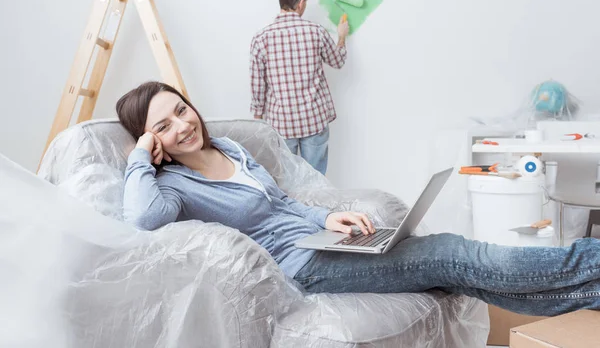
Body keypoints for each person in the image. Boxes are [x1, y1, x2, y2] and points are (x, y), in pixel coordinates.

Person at [117, 81, 600, 316]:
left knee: (460, 276)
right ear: (151, 140)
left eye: (181, 110)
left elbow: (282, 204)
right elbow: (141, 218)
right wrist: (141, 154)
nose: (183, 125)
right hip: (301, 267)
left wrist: (332, 216)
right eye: (163, 126)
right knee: (455, 253)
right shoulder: (170, 186)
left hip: (324, 242)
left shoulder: (231, 149)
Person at [249, 0, 349, 175]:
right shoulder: (315, 32)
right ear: (301, 3)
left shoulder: (261, 39)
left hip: (282, 124)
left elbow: (257, 88)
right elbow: (337, 61)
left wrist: (258, 123)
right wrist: (341, 36)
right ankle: (317, 207)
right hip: (314, 120)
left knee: (288, 183)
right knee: (316, 181)